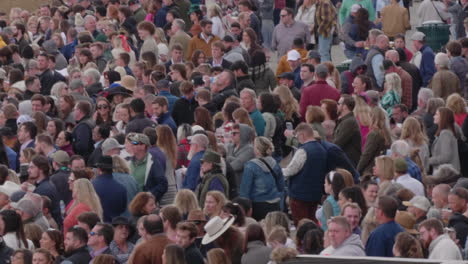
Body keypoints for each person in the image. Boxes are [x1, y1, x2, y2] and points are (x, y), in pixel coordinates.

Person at [282, 123, 328, 225]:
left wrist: (279, 171)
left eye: (297, 137)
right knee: (312, 221)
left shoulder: (303, 150)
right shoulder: (322, 149)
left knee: (301, 224)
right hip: (315, 194)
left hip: (299, 194)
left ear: (302, 135)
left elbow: (291, 170)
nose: (297, 140)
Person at [240, 137, 285, 221]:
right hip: (275, 204)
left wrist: (244, 209)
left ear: (257, 150)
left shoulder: (250, 166)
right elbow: (281, 187)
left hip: (258, 205)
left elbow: (244, 192)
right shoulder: (275, 164)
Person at [92, 156, 127, 222]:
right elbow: (122, 209)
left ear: (99, 169)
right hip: (114, 224)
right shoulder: (121, 188)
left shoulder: (92, 185)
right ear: (112, 169)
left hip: (98, 224)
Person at [333, 95, 362, 166]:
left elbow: (338, 142)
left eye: (338, 104)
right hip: (345, 160)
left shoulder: (349, 122)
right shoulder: (345, 120)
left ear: (344, 106)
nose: (337, 106)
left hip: (348, 162)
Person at [429, 107, 460, 172]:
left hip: (446, 174)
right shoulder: (446, 132)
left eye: (436, 114)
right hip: (446, 172)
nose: (434, 116)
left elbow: (445, 157)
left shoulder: (446, 134)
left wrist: (428, 161)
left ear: (443, 117)